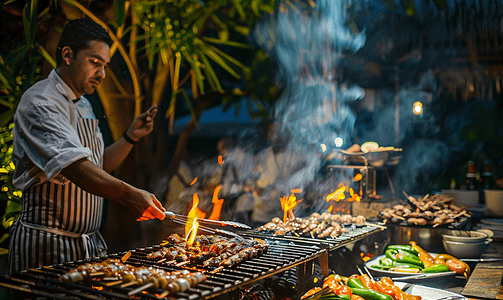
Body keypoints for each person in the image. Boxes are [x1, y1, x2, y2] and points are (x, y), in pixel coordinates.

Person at [8, 18, 166, 274]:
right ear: (68, 55)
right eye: (95, 63)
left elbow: (97, 165)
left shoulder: (83, 104)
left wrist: (129, 138)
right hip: (46, 245)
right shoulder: (41, 103)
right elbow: (76, 168)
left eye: (104, 65)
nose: (102, 74)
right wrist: (129, 195)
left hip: (88, 244)